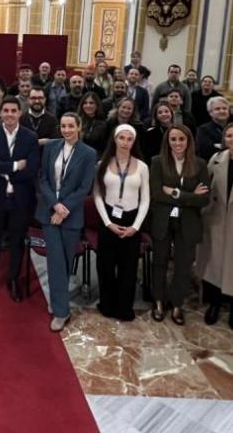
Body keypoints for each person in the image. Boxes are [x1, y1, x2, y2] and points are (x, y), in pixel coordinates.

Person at [35, 112, 97, 331]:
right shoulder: (51, 147)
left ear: (79, 127)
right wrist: (55, 205)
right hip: (49, 213)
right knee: (55, 261)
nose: (67, 130)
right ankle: (62, 311)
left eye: (71, 126)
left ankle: (58, 300)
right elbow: (42, 177)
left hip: (71, 216)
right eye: (63, 126)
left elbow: (85, 187)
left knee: (64, 262)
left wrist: (65, 208)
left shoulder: (89, 153)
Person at [149, 125, 210, 325]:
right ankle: (158, 301)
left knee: (183, 266)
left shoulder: (200, 164)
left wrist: (176, 194)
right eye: (173, 139)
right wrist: (191, 196)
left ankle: (176, 304)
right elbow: (157, 194)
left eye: (181, 139)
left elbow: (204, 200)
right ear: (167, 141)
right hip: (162, 221)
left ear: (189, 141)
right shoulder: (157, 162)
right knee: (159, 262)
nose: (177, 143)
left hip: (189, 223)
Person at [0, 97, 39, 302]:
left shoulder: (30, 137)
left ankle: (13, 279)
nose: (9, 114)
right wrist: (14, 166)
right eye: (5, 110)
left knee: (16, 241)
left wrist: (2, 168)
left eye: (13, 111)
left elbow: (32, 169)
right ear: (0, 113)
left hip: (21, 197)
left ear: (20, 113)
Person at [93, 125, 150, 321]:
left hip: (131, 220)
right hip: (108, 219)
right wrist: (108, 222)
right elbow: (97, 195)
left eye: (129, 139)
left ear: (133, 142)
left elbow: (145, 199)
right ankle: (107, 305)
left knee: (129, 268)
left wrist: (135, 226)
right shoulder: (102, 164)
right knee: (106, 266)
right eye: (122, 138)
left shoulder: (142, 167)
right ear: (115, 139)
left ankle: (124, 308)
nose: (125, 142)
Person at [197, 124, 233, 328]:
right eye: (228, 135)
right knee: (215, 263)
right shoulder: (216, 159)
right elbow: (205, 186)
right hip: (217, 218)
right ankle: (215, 304)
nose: (232, 139)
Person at [196, 96, 231, 161]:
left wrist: (220, 146)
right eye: (217, 109)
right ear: (210, 113)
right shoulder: (203, 130)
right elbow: (206, 151)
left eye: (224, 108)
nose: (222, 111)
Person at [77, 92, 107, 156]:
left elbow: (103, 147)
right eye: (85, 103)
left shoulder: (103, 124)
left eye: (91, 103)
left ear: (97, 105)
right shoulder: (76, 120)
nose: (88, 105)